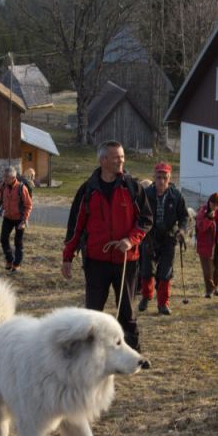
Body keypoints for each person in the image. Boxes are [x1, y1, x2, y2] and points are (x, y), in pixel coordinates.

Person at [62, 141, 153, 351]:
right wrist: (68, 257)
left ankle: (131, 353)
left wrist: (131, 240)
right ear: (103, 160)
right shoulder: (87, 191)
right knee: (93, 312)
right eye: (116, 157)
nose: (121, 160)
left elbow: (146, 220)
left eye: (122, 156)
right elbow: (75, 227)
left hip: (126, 261)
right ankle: (91, 352)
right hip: (96, 261)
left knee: (127, 311)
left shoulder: (133, 187)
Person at [137, 163, 189, 316]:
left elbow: (184, 217)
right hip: (149, 237)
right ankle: (146, 296)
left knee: (165, 272)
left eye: (164, 178)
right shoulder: (145, 194)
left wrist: (182, 230)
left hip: (169, 237)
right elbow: (137, 214)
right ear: (154, 177)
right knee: (146, 269)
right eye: (158, 178)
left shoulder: (176, 196)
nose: (161, 181)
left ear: (169, 178)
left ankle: (163, 304)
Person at [0, 167, 33, 273]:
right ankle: (9, 260)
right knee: (3, 239)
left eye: (7, 177)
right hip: (8, 217)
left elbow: (28, 205)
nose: (4, 179)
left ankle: (17, 264)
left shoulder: (21, 188)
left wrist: (24, 220)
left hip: (20, 219)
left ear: (13, 177)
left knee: (18, 243)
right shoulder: (3, 187)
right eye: (4, 177)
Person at [194, 192, 218, 298]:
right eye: (213, 203)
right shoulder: (203, 211)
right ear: (209, 202)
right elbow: (200, 227)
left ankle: (215, 285)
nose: (215, 206)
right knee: (208, 271)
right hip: (205, 246)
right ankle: (209, 290)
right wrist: (209, 219)